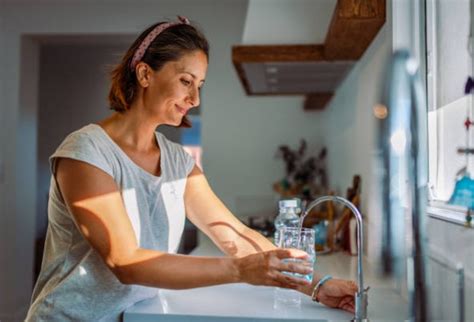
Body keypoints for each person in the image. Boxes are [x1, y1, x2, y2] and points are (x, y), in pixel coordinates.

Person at [26, 16, 358, 321]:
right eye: (186, 81)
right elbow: (125, 261)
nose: (195, 98)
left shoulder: (177, 161)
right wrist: (241, 271)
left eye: (200, 84)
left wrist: (317, 284)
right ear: (144, 74)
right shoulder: (87, 152)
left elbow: (234, 235)